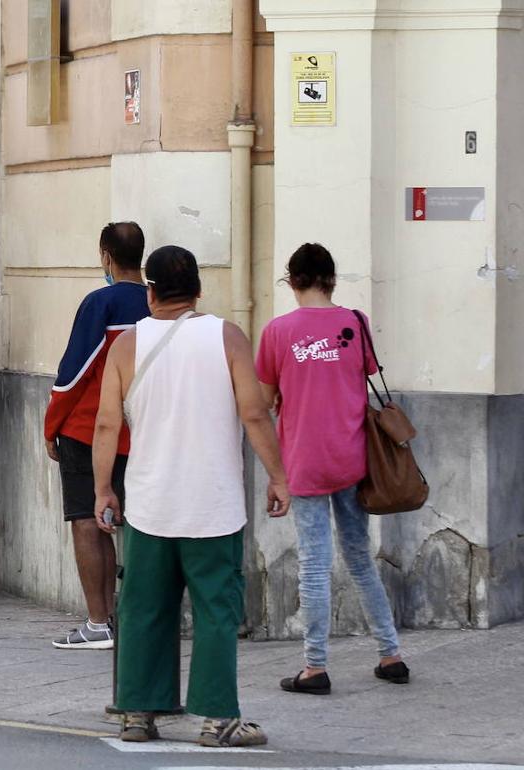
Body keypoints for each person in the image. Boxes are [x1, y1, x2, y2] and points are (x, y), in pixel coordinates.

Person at [92, 245, 289, 748]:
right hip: (213, 503)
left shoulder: (126, 346)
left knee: (143, 608)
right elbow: (254, 413)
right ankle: (218, 719)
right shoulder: (227, 336)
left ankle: (138, 713)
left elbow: (108, 424)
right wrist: (278, 476)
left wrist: (103, 488)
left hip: (150, 503)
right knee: (216, 611)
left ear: (150, 292)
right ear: (198, 290)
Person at [256, 243, 408, 695]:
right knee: (360, 557)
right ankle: (391, 654)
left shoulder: (277, 331)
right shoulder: (355, 323)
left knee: (315, 564)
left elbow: (264, 401)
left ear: (292, 280)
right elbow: (363, 375)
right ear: (332, 279)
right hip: (351, 457)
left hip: (303, 461)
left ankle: (315, 667)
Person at [44, 222, 149, 649]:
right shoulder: (157, 303)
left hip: (88, 431)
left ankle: (97, 621)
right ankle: (134, 621)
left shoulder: (99, 303)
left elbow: (73, 373)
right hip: (143, 433)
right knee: (137, 526)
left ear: (106, 256)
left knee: (88, 523)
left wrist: (51, 425)